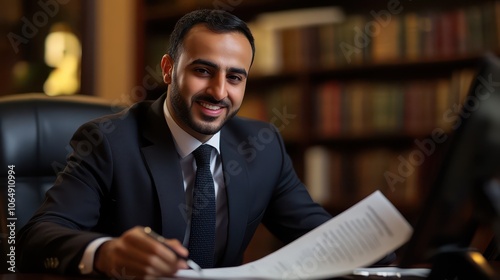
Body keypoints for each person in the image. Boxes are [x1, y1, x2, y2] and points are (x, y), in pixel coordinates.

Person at [17, 9, 334, 278]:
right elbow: (35, 239)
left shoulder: (263, 147)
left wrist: (380, 242)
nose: (219, 91)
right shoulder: (108, 142)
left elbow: (323, 239)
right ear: (168, 70)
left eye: (235, 77)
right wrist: (106, 252)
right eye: (203, 71)